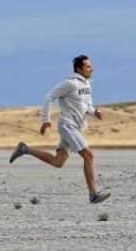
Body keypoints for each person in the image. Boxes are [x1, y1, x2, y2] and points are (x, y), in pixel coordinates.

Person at [9, 55, 110, 204]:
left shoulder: (87, 85)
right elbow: (50, 96)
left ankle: (24, 149)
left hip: (75, 127)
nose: (92, 69)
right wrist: (46, 120)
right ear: (79, 69)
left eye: (91, 66)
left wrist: (94, 112)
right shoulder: (71, 84)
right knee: (89, 155)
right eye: (88, 67)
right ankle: (93, 194)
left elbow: (86, 105)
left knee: (58, 162)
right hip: (67, 126)